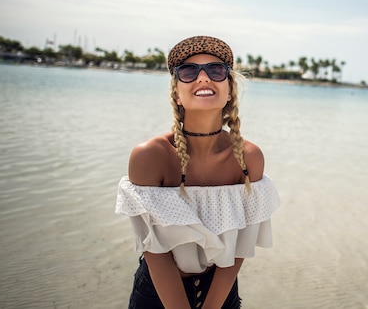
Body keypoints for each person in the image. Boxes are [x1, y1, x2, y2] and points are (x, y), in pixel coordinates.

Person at [116, 36, 280, 308]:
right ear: (176, 93)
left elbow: (240, 246)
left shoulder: (249, 158)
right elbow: (154, 250)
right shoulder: (150, 156)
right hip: (157, 293)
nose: (203, 78)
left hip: (222, 291)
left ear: (229, 90)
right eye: (189, 72)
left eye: (215, 70)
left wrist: (213, 305)